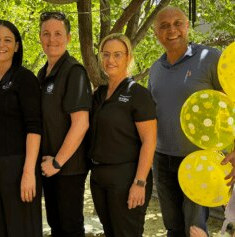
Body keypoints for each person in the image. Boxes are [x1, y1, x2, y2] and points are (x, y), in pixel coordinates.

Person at [148, 6, 223, 237]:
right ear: (156, 34)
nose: (172, 30)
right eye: (164, 25)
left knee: (195, 229)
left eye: (178, 23)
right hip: (162, 160)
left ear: (187, 26)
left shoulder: (210, 59)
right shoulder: (155, 69)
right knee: (173, 228)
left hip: (198, 159)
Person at [0, 20, 43, 236]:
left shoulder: (25, 79)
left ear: (16, 46)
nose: (0, 44)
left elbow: (34, 127)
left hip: (18, 165)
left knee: (21, 229)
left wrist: (28, 172)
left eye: (7, 40)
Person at [88, 33, 157, 237]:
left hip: (127, 178)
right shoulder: (98, 94)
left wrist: (139, 183)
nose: (111, 60)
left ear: (128, 57)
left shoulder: (138, 94)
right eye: (106, 54)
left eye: (117, 54)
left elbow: (149, 141)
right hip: (99, 178)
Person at [37, 11, 92, 237]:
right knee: (56, 226)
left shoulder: (74, 72)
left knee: (70, 229)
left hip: (67, 168)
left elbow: (81, 124)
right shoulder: (42, 74)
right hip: (48, 166)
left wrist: (58, 162)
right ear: (40, 37)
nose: (52, 39)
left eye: (58, 33)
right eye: (46, 34)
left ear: (69, 38)